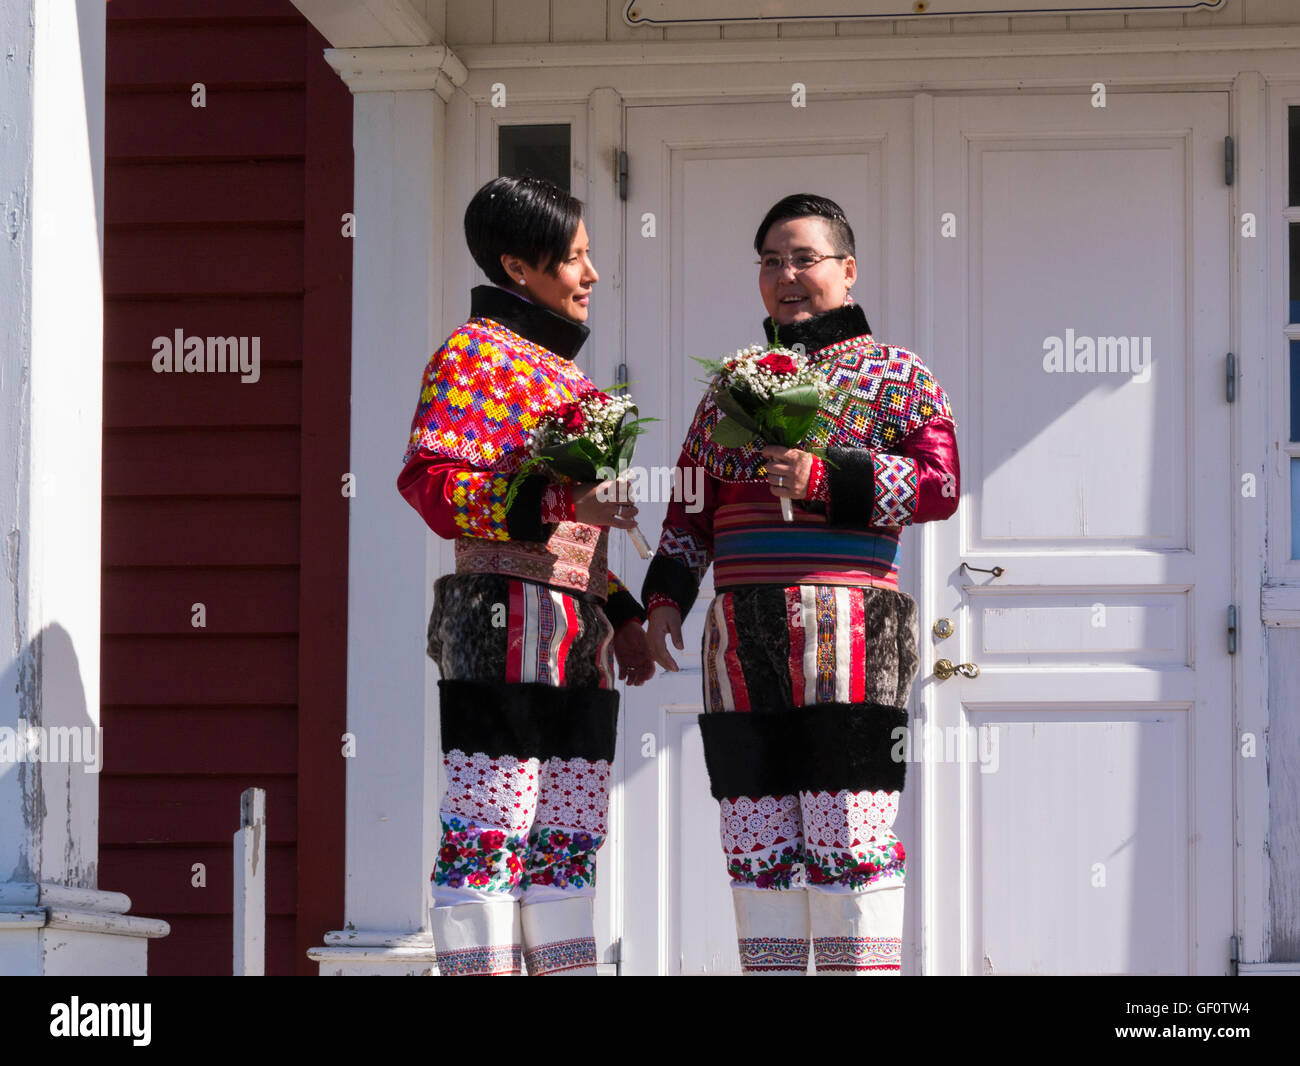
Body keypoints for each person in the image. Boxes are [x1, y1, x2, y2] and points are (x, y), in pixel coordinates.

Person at [642, 193, 960, 975]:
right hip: (742, 642)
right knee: (757, 848)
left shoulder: (897, 372)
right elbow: (692, 502)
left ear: (847, 271)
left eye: (804, 258)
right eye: (771, 261)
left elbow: (940, 485)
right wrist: (663, 599)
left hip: (853, 636)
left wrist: (826, 475)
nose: (787, 275)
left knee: (850, 840)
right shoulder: (733, 387)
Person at [397, 175, 654, 976]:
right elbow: (432, 485)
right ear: (517, 265)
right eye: (574, 258)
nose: (591, 275)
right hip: (501, 619)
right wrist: (559, 495)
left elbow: (579, 531)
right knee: (490, 829)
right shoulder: (473, 355)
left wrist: (627, 613)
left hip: (578, 637)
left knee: (567, 838)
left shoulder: (573, 381)